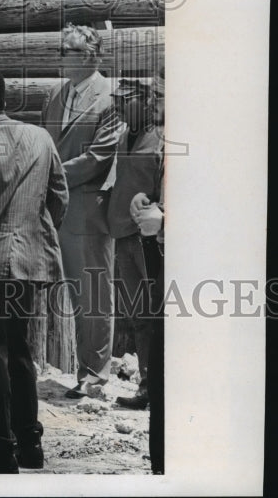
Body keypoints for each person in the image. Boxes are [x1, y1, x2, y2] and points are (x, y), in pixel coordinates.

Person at [0, 70, 68, 473]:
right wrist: (35, 234)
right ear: (3, 97)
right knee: (20, 351)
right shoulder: (41, 137)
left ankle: (1, 452)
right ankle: (30, 446)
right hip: (30, 260)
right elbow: (59, 195)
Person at [41, 23, 124, 399]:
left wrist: (49, 176)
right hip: (56, 210)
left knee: (94, 294)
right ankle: (81, 368)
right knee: (74, 293)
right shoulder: (55, 94)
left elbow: (97, 158)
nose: (61, 56)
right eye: (60, 49)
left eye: (68, 50)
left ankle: (96, 374)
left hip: (89, 211)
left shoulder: (111, 97)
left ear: (91, 55)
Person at [108, 78, 164, 410]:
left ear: (143, 102)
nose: (115, 107)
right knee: (138, 315)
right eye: (114, 101)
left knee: (156, 314)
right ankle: (147, 387)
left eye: (122, 101)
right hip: (123, 234)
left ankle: (159, 388)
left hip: (149, 239)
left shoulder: (159, 139)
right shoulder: (123, 135)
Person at [130, 69, 165, 475]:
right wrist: (147, 202)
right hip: (157, 258)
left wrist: (166, 218)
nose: (153, 100)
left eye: (159, 94)